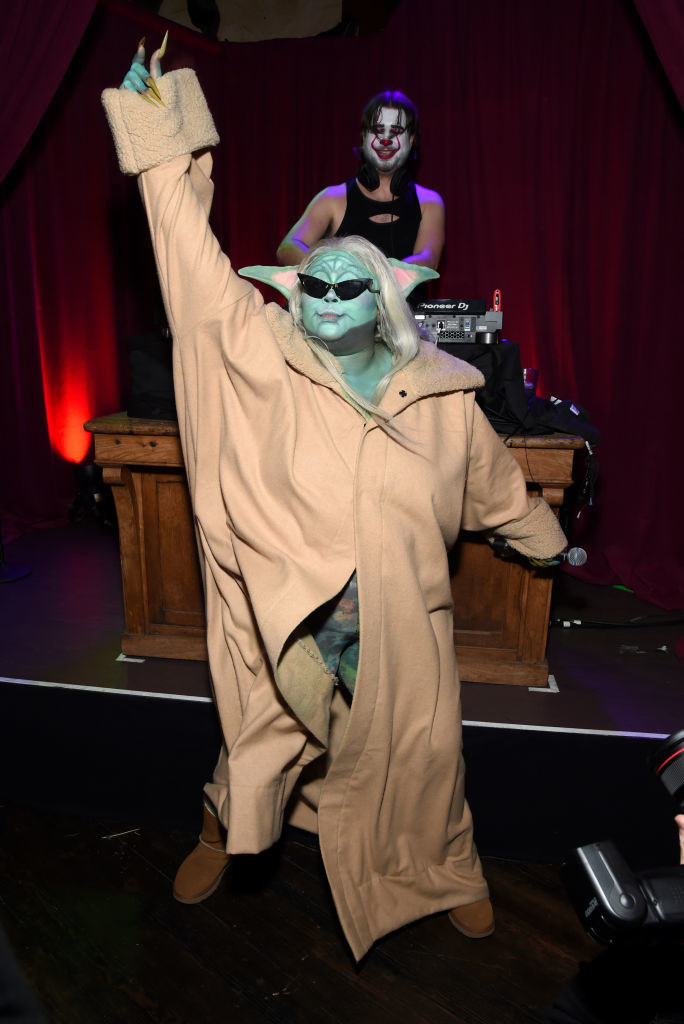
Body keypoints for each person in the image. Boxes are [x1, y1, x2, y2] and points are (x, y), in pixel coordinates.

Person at [105, 43, 566, 961]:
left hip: (399, 617)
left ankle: (445, 869)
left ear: (389, 300)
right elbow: (189, 261)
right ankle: (221, 829)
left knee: (424, 756)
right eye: (311, 284)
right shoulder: (259, 354)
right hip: (289, 614)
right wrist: (161, 140)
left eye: (347, 284)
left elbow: (493, 484)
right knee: (261, 740)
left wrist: (540, 537)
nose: (324, 296)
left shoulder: (443, 396)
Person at [276, 89, 445, 270]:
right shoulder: (333, 198)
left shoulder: (429, 202)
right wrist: (329, 271)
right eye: (378, 130)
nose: (385, 140)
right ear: (364, 137)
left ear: (411, 140)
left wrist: (377, 277)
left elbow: (428, 260)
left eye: (395, 131)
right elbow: (287, 248)